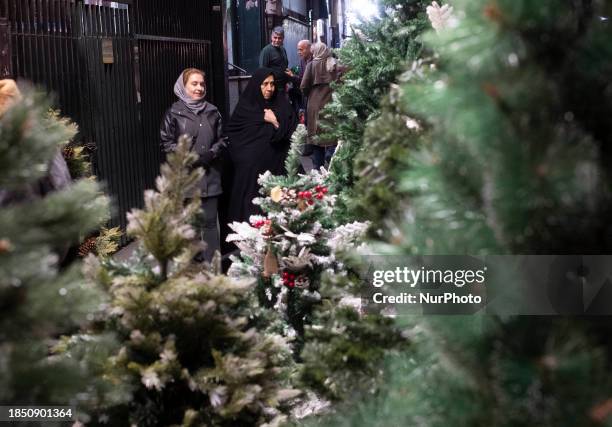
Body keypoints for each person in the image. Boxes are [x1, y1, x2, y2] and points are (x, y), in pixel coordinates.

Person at [160, 68, 228, 262]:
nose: (199, 88)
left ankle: (213, 269)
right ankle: (190, 271)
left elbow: (223, 140)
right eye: (194, 84)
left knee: (209, 225)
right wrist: (191, 157)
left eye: (201, 84)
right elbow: (166, 143)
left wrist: (211, 153)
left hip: (210, 177)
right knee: (189, 227)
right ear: (183, 86)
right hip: (186, 179)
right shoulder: (173, 113)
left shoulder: (213, 111)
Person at [222, 68, 297, 238]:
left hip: (277, 173)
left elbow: (292, 134)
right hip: (250, 178)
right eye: (265, 84)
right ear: (257, 85)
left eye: (272, 84)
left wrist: (274, 121)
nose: (269, 88)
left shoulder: (282, 106)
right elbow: (235, 136)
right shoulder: (246, 108)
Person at [300, 42, 338, 169]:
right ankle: (331, 156)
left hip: (315, 105)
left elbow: (304, 86)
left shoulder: (311, 65)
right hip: (331, 104)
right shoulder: (333, 63)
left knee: (316, 138)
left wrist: (309, 94)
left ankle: (318, 167)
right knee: (331, 134)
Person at [259, 27, 292, 94]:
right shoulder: (266, 51)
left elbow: (285, 67)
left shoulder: (283, 50)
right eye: (275, 37)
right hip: (272, 87)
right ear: (271, 37)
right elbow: (262, 70)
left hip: (283, 87)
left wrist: (287, 82)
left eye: (279, 38)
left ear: (283, 38)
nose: (277, 40)